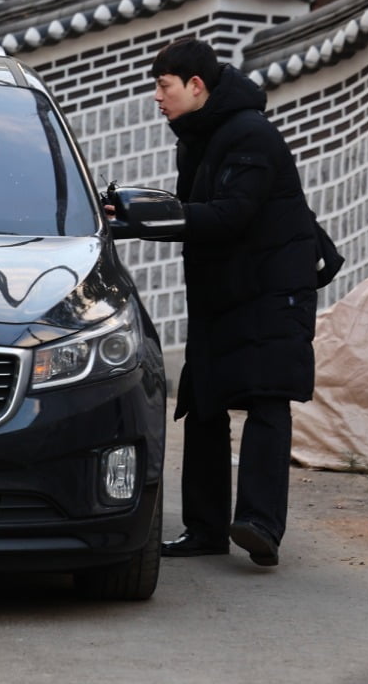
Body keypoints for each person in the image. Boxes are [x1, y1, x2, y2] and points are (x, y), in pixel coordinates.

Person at [145, 38, 317, 567]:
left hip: (271, 290)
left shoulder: (249, 134)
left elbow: (231, 214)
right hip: (225, 289)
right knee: (205, 402)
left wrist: (151, 221)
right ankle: (205, 529)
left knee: (267, 398)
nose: (157, 98)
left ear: (197, 86)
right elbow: (197, 210)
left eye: (164, 86)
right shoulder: (198, 137)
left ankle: (261, 525)